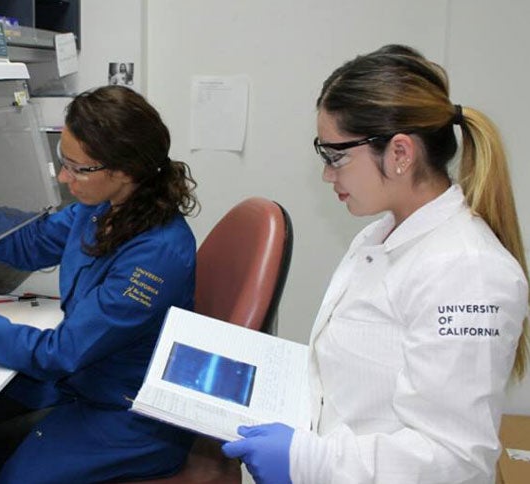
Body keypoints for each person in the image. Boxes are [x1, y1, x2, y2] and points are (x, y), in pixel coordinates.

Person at [222, 44, 529, 484]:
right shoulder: (380, 235)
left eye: (336, 156)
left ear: (401, 153)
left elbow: (454, 460)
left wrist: (310, 462)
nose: (328, 175)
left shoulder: (469, 272)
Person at [0, 85, 199, 483]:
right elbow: (34, 241)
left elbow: (60, 353)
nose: (65, 177)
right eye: (63, 162)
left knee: (16, 478)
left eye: (78, 168)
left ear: (125, 170)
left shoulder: (158, 254)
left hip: (129, 414)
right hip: (85, 382)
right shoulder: (101, 208)